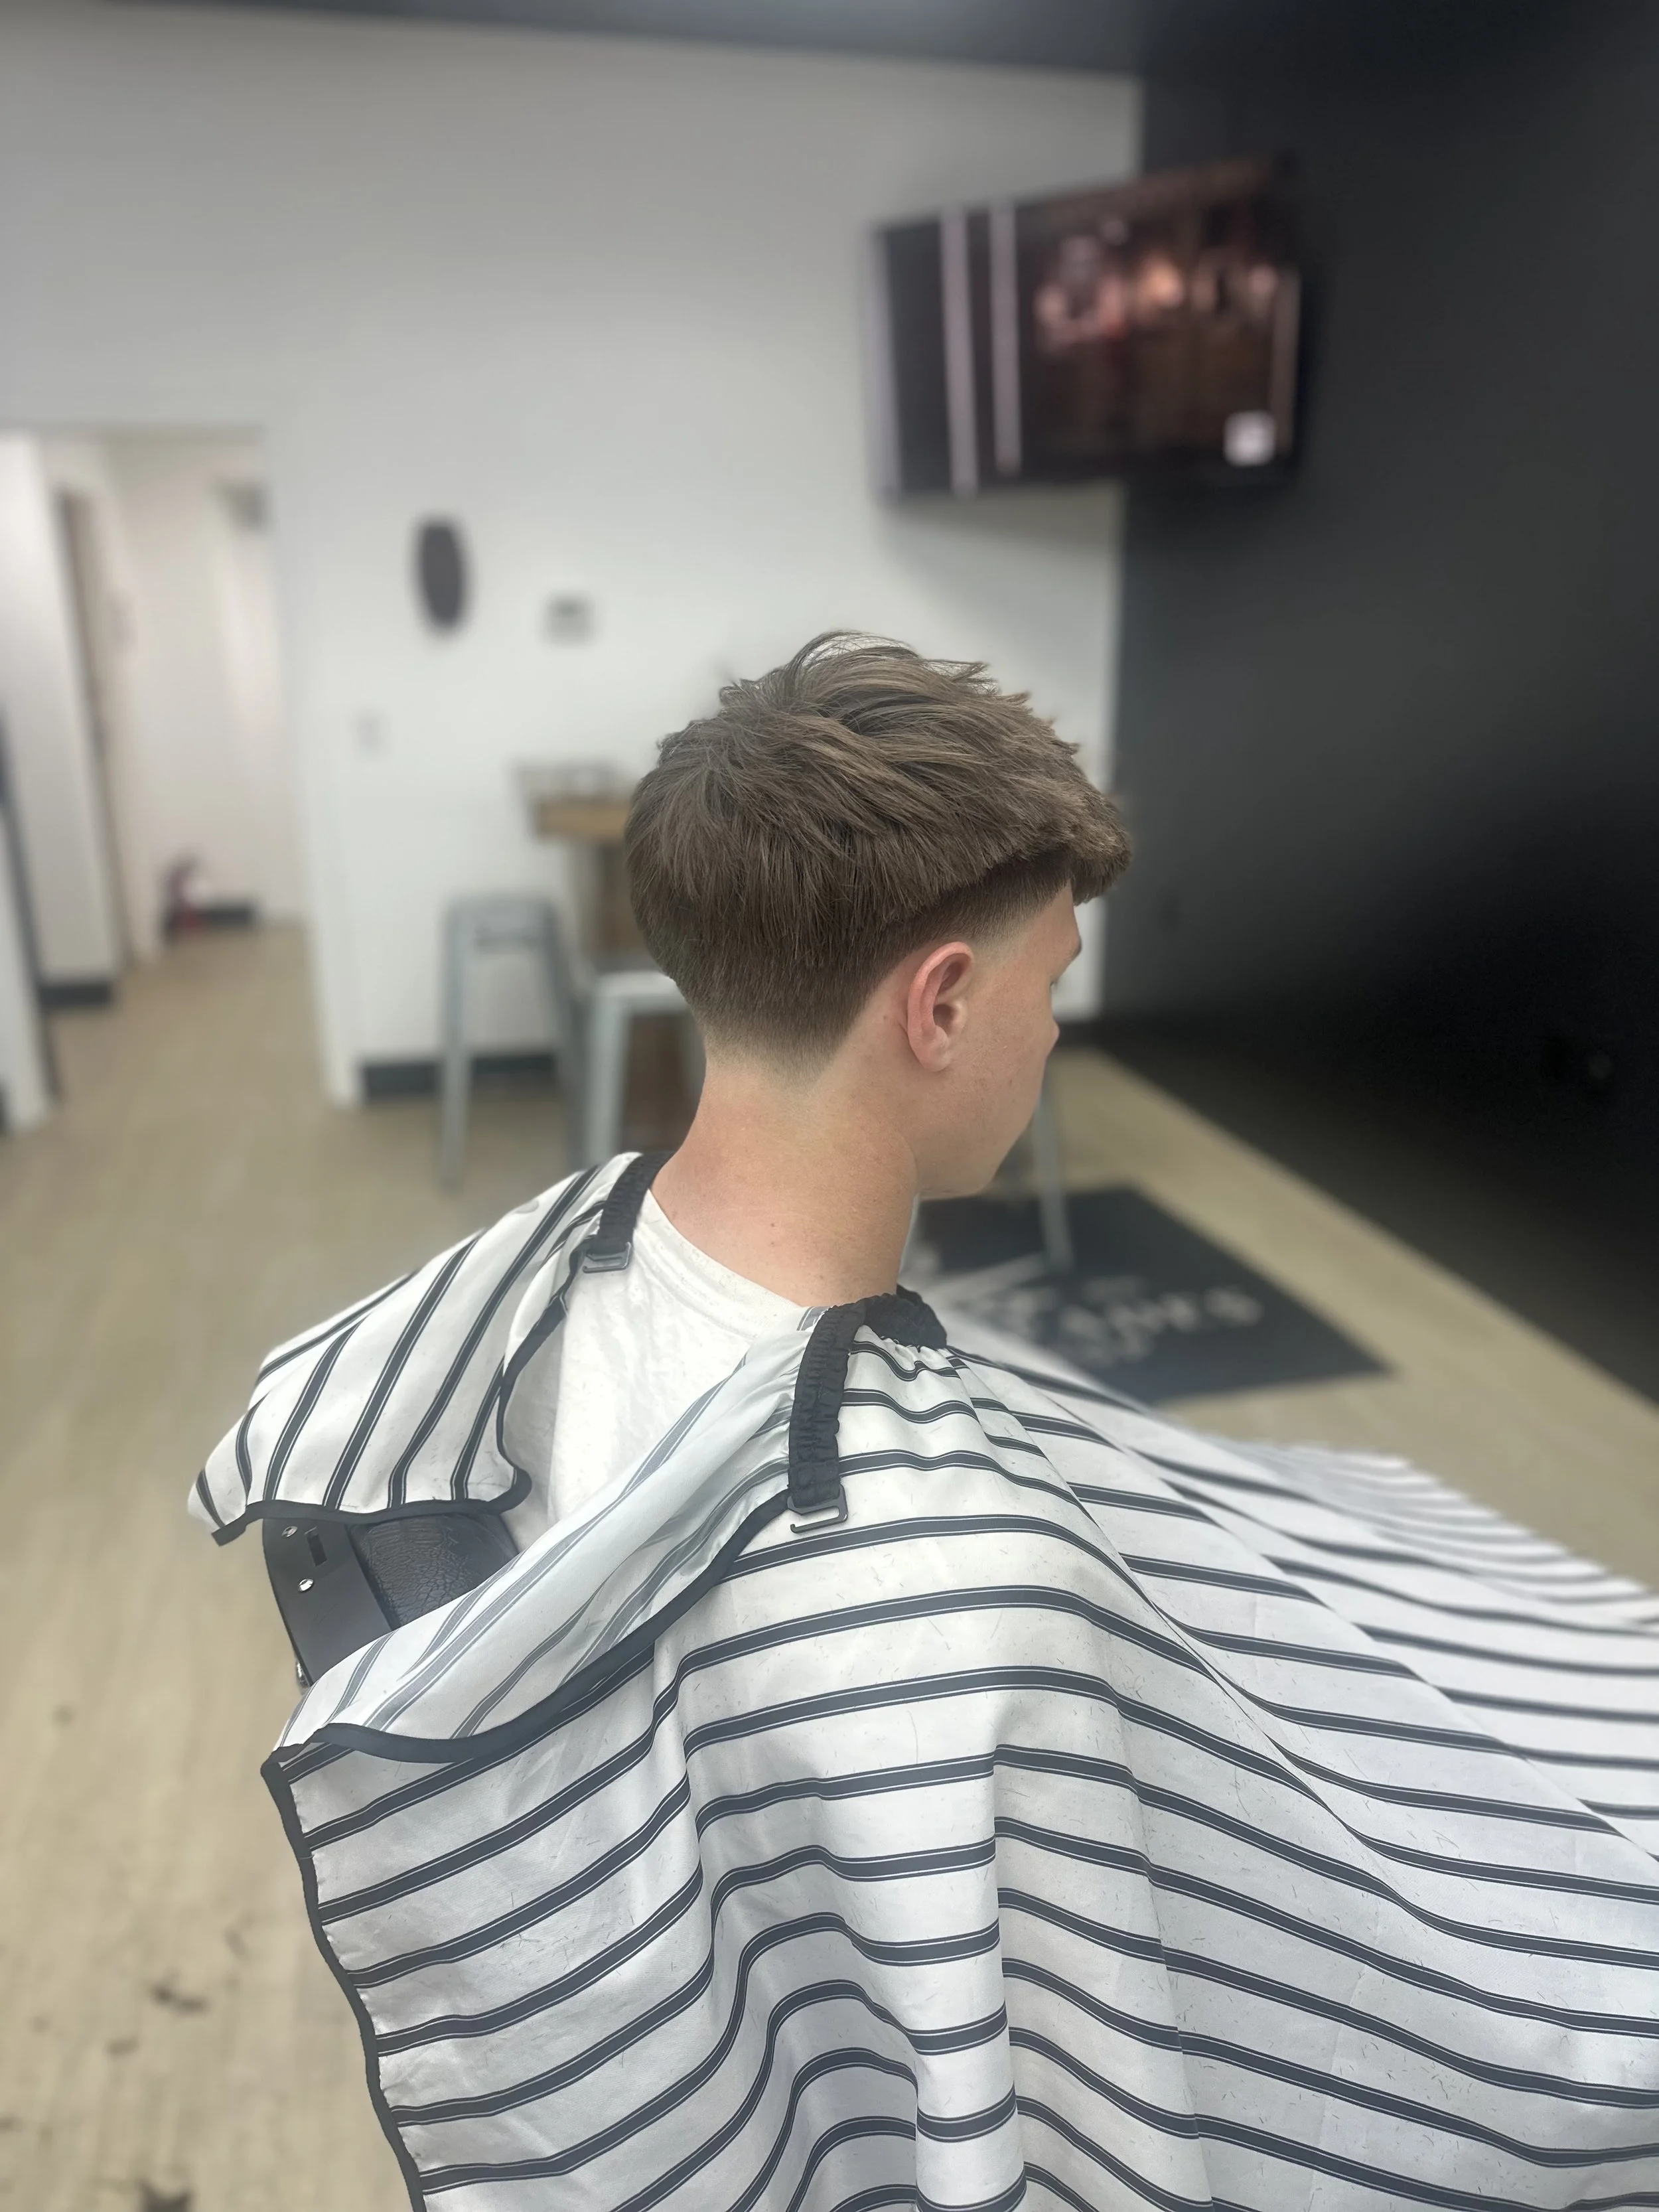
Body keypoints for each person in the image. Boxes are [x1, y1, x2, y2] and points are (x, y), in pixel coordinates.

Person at [196, 634, 1659, 2212]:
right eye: (1049, 989)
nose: (1050, 1038)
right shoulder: (956, 1605)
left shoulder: (535, 1292)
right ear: (943, 1005)